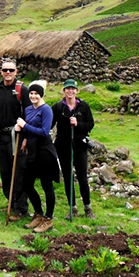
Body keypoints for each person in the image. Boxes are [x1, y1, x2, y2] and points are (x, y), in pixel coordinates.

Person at [0, 59, 32, 221]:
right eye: (5, 70)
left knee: (19, 172)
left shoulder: (22, 90)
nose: (8, 73)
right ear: (0, 71)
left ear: (16, 72)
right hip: (2, 136)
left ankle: (21, 208)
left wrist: (26, 136)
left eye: (11, 70)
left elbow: (29, 115)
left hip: (18, 136)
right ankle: (11, 202)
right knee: (5, 171)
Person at [16, 80, 59, 233]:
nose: (33, 96)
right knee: (27, 184)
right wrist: (23, 134)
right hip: (32, 150)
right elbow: (27, 129)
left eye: (36, 94)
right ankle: (39, 213)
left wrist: (25, 126)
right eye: (31, 93)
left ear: (41, 95)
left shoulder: (46, 109)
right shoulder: (28, 109)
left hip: (44, 150)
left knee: (46, 185)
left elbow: (44, 131)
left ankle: (48, 218)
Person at [51, 78, 96, 219]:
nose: (70, 91)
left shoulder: (84, 106)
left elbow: (90, 124)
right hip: (63, 147)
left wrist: (78, 124)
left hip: (80, 146)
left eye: (73, 89)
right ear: (64, 91)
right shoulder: (58, 107)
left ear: (77, 91)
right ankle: (73, 208)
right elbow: (50, 124)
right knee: (68, 177)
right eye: (67, 89)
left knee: (82, 177)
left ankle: (88, 208)